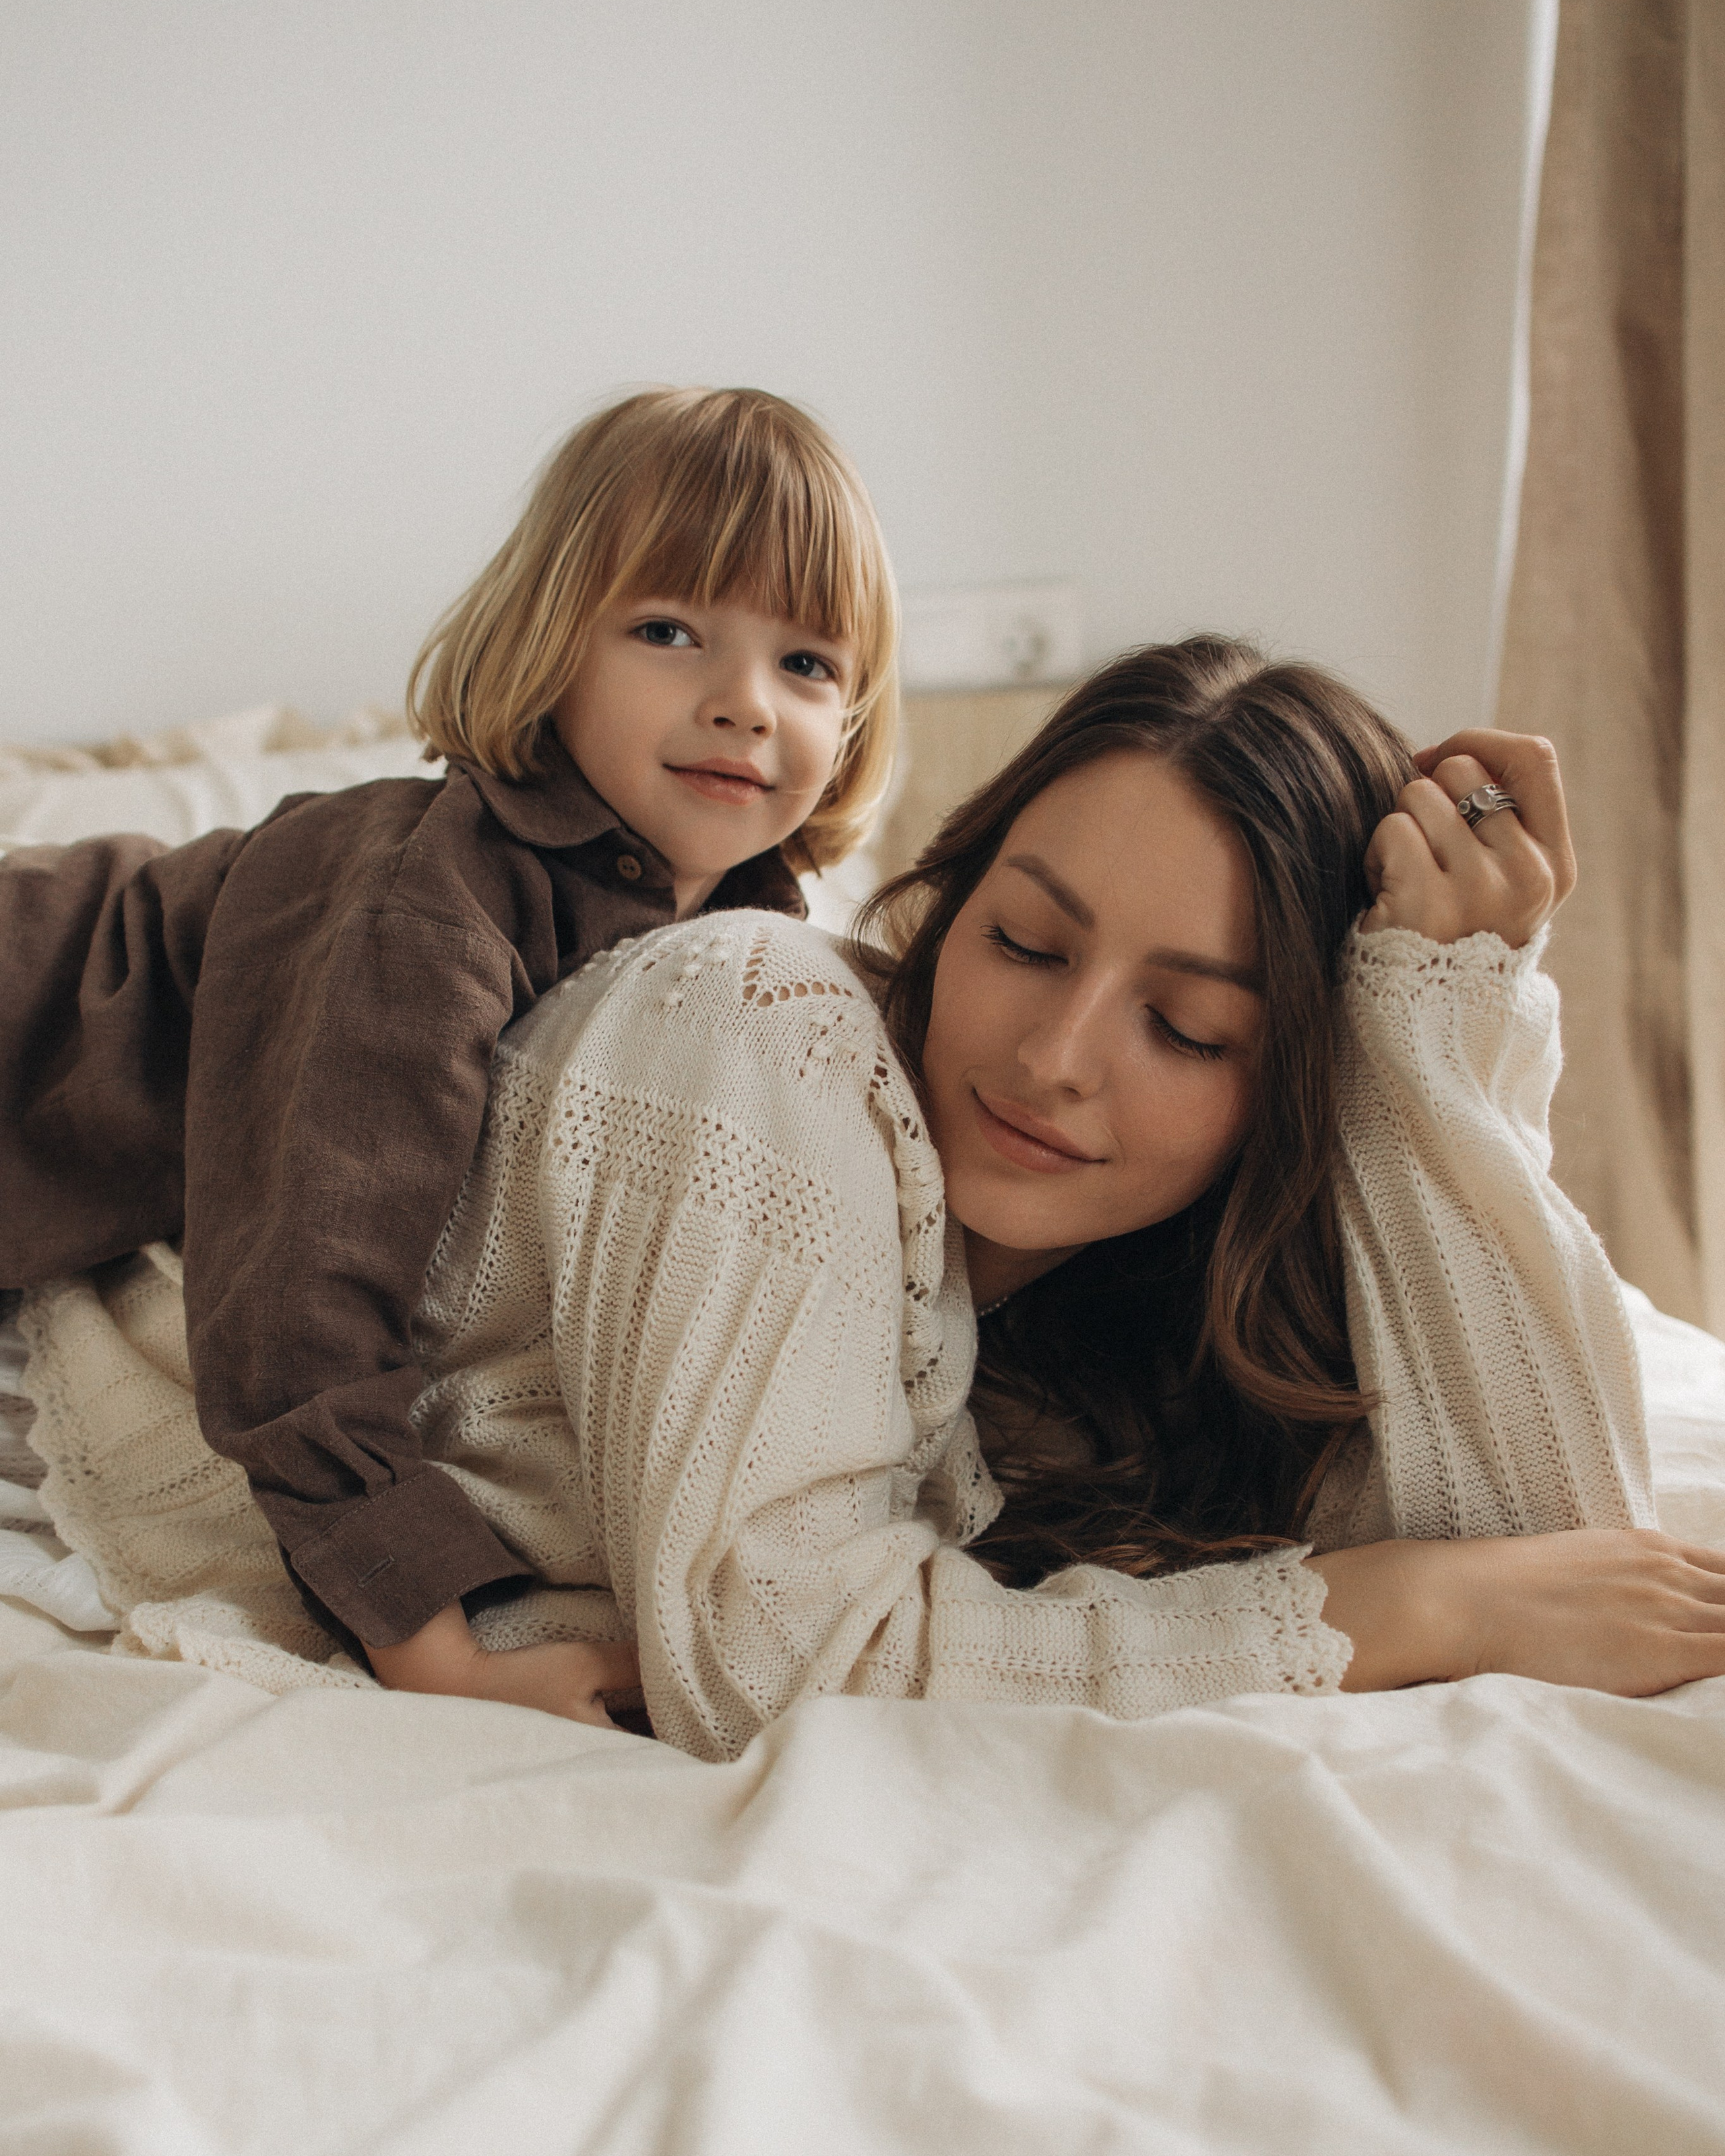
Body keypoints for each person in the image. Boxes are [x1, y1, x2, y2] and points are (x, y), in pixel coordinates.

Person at [24, 637, 1725, 1748]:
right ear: (945, 898)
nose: (1056, 1056)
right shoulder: (760, 1019)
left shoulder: (1074, 1298)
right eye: (1023, 940)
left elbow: (1557, 1536)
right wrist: (1384, 1612)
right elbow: (778, 1659)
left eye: (1187, 1028)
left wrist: (1428, 1033)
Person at [0, 386, 900, 1688]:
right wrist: (434, 1649)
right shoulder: (428, 895)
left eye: (808, 662)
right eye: (668, 629)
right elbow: (300, 1288)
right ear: (549, 646)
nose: (747, 702)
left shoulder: (761, 949)